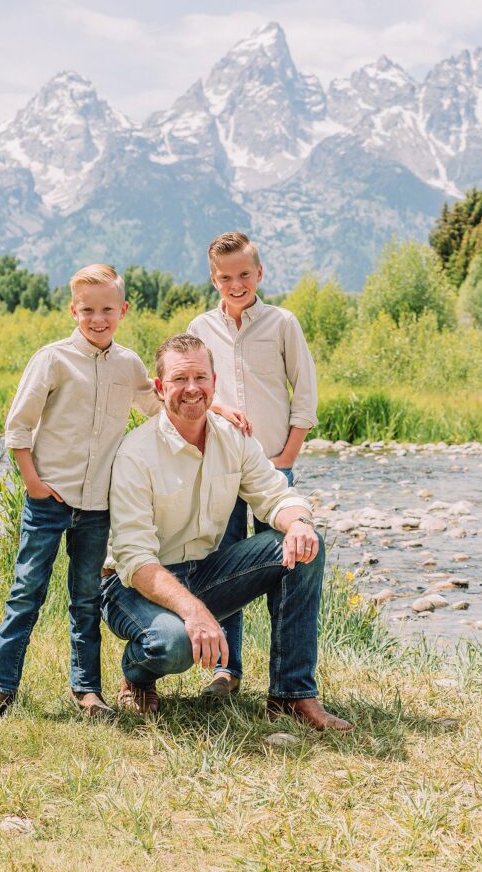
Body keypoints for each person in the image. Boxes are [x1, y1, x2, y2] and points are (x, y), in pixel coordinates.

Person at [101, 334, 352, 731]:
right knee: (173, 645)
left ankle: (291, 695)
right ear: (160, 387)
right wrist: (194, 611)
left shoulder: (232, 438)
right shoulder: (136, 453)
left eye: (201, 377)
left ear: (215, 383)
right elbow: (135, 559)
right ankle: (137, 674)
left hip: (203, 573)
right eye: (180, 379)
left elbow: (274, 495)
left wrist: (299, 523)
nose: (192, 389)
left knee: (306, 546)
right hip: (131, 586)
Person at [0, 264, 161, 719]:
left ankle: (87, 691)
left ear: (123, 310)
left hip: (97, 505)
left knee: (86, 600)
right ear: (73, 309)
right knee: (26, 592)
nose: (98, 318)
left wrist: (214, 409)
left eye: (107, 309)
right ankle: (0, 687)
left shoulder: (128, 364)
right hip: (49, 500)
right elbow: (18, 425)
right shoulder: (53, 358)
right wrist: (33, 482)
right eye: (88, 310)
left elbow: (157, 408)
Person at [187, 231, 317, 698]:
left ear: (259, 274)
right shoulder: (200, 328)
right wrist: (218, 410)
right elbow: (197, 390)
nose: (235, 284)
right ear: (213, 279)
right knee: (226, 567)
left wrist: (287, 457)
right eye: (225, 277)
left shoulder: (283, 323)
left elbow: (304, 395)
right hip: (219, 465)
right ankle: (227, 669)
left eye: (244, 274)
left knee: (287, 564)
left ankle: (286, 682)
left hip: (273, 468)